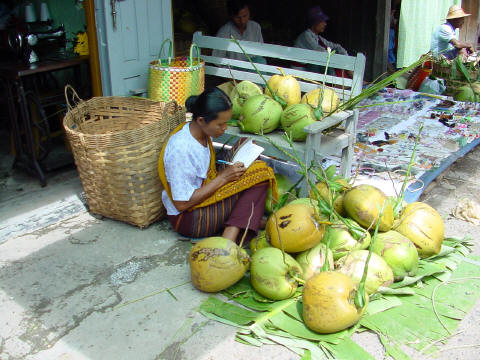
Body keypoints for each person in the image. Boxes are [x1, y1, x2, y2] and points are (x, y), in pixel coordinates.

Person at [158, 87, 277, 243]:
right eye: (220, 124)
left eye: (226, 123)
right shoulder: (181, 149)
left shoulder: (201, 132)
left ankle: (246, 218)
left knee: (247, 147)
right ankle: (230, 237)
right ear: (201, 120)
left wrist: (224, 176)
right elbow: (182, 204)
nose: (225, 128)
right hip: (190, 219)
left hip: (204, 192)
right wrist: (223, 178)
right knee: (259, 174)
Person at [294, 6, 353, 78]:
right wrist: (340, 59)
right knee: (327, 61)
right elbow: (320, 51)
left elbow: (336, 46)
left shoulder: (318, 38)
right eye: (322, 21)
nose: (325, 24)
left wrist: (343, 54)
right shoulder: (306, 36)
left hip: (312, 73)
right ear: (315, 22)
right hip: (300, 74)